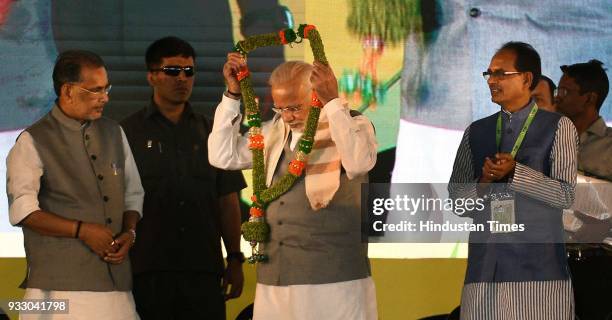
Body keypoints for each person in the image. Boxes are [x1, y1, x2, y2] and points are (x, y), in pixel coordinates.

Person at [209, 53, 378, 319]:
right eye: (281, 108)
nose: (287, 117)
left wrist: (332, 102)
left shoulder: (351, 123)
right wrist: (232, 96)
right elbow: (221, 156)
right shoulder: (274, 132)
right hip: (275, 277)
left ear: (315, 95)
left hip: (332, 279)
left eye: (295, 107)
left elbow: (358, 163)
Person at [6, 50, 144, 319]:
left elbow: (134, 195)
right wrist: (82, 230)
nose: (105, 97)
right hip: (54, 293)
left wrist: (130, 232)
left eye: (107, 88)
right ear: (68, 91)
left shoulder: (115, 132)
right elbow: (22, 211)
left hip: (117, 290)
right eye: (95, 90)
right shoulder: (32, 140)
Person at [448, 42, 578, 319]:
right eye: (489, 74)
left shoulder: (558, 126)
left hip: (540, 271)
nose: (492, 81)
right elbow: (458, 202)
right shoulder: (476, 131)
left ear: (526, 79)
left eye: (501, 74)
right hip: (485, 270)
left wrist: (516, 173)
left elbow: (565, 195)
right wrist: (484, 181)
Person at [120, 37, 247, 320]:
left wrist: (236, 258)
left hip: (202, 269)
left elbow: (227, 200)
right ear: (152, 76)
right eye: (173, 71)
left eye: (189, 71)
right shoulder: (126, 133)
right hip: (147, 269)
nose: (183, 79)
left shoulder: (214, 133)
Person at [555, 59, 612, 320]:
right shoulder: (548, 142)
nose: (557, 98)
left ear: (589, 98)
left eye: (565, 92)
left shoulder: (609, 147)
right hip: (549, 264)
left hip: (596, 265)